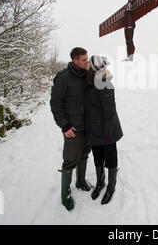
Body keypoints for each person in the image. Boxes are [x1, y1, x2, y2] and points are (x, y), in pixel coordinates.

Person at [50, 47, 93, 211]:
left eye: (87, 59)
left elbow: (105, 79)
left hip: (87, 125)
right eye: (83, 60)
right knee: (70, 160)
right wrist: (64, 125)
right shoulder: (63, 78)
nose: (86, 62)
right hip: (72, 128)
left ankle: (80, 182)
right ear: (74, 60)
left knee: (84, 154)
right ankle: (65, 195)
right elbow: (55, 104)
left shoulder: (87, 74)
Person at [85, 55, 123, 205]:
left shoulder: (105, 83)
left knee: (111, 157)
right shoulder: (90, 81)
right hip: (94, 129)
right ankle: (100, 181)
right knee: (98, 157)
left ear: (94, 68)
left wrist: (107, 133)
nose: (87, 64)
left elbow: (110, 111)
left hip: (107, 131)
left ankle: (111, 186)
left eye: (89, 63)